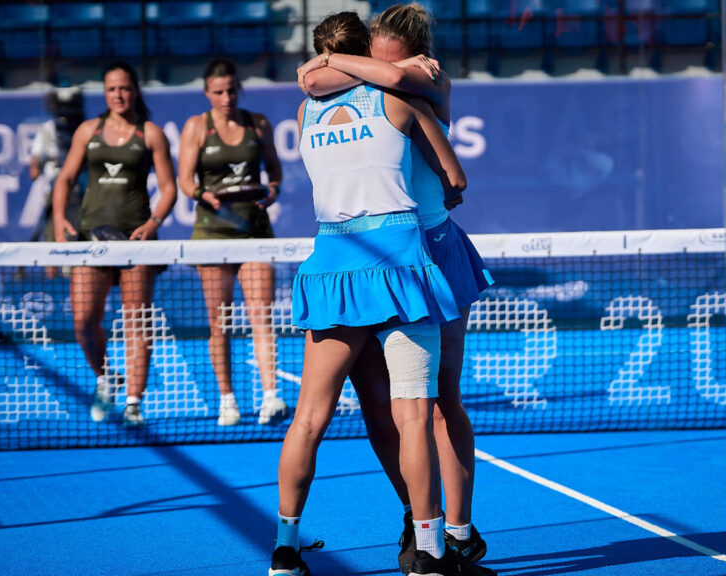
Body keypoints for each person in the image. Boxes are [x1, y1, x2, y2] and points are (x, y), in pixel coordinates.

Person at [297, 3, 495, 574]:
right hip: (378, 256)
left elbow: (349, 74)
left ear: (409, 55)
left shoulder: (425, 80)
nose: (363, 69)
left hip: (430, 250)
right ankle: (420, 521)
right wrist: (350, 64)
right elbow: (310, 76)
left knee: (439, 400)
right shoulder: (370, 79)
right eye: (361, 56)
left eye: (376, 59)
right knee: (388, 407)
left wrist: (347, 62)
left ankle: (456, 533)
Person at [51, 61, 178, 427]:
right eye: (111, 89)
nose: (118, 95)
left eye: (124, 88)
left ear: (134, 90)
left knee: (137, 322)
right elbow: (65, 179)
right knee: (82, 321)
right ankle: (106, 377)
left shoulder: (151, 133)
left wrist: (153, 223)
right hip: (92, 243)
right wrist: (61, 219)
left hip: (137, 245)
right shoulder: (88, 131)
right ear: (104, 94)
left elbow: (168, 189)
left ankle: (134, 402)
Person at [177, 58, 288, 427]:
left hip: (255, 234)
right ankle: (228, 399)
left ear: (238, 90)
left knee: (262, 316)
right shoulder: (196, 127)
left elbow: (274, 170)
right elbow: (184, 179)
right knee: (217, 322)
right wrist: (201, 194)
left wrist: (272, 191)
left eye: (231, 90)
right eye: (218, 92)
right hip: (212, 236)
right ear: (208, 93)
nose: (226, 97)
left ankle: (271, 396)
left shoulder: (258, 123)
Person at [28, 86, 85, 278]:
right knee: (52, 238)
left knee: (80, 235)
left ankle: (75, 275)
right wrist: (38, 166)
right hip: (54, 193)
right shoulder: (47, 130)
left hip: (82, 193)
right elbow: (35, 163)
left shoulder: (86, 127)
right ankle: (51, 279)